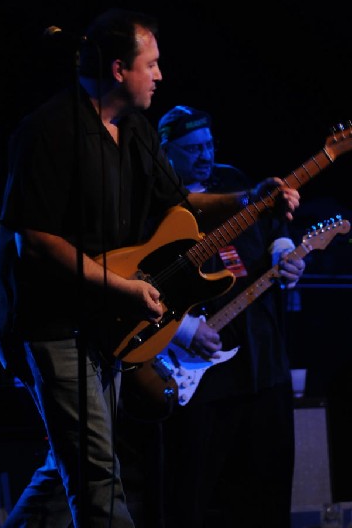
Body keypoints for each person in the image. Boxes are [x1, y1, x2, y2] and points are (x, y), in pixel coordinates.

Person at [0, 10, 300, 528]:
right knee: (97, 475)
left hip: (103, 320)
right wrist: (123, 288)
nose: (160, 75)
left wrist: (253, 198)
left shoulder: (134, 131)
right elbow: (36, 241)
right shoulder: (47, 131)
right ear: (118, 69)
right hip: (51, 325)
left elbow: (180, 206)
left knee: (74, 466)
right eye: (151, 65)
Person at [118, 104, 306, 528]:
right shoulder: (149, 203)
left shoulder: (234, 180)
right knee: (195, 492)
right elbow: (130, 276)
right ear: (166, 153)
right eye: (193, 148)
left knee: (267, 486)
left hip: (263, 360)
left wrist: (284, 253)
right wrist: (183, 329)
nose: (205, 155)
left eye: (209, 145)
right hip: (201, 373)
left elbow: (275, 228)